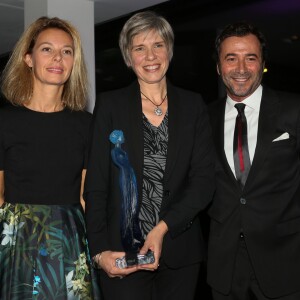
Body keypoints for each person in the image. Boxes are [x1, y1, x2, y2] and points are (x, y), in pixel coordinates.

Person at [84, 10, 215, 300]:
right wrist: (99, 252)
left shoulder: (194, 106)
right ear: (128, 58)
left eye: (157, 45)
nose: (150, 56)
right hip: (122, 251)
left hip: (180, 252)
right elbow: (95, 186)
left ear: (169, 49)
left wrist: (162, 228)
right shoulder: (110, 106)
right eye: (139, 48)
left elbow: (204, 181)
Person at [0, 17, 100, 299]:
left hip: (68, 240)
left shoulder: (86, 124)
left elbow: (85, 197)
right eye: (47, 49)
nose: (58, 58)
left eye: (67, 51)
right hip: (16, 241)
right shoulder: (4, 122)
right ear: (28, 58)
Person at [207, 22, 300, 300]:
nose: (241, 68)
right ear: (218, 66)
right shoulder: (202, 118)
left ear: (262, 64)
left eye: (251, 57)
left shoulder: (294, 110)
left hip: (286, 262)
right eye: (231, 58)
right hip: (224, 266)